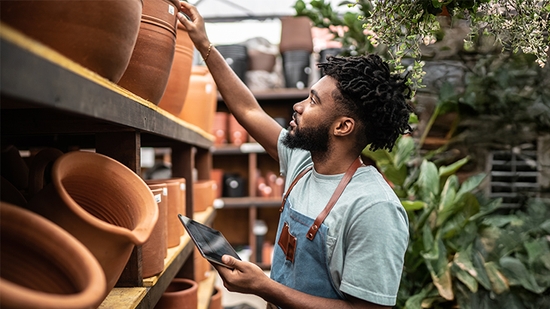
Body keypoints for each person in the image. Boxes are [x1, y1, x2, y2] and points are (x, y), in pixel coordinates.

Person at [177, 2, 412, 308]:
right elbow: (248, 109)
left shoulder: (373, 208)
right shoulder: (303, 163)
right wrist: (203, 43)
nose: (298, 106)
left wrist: (264, 287)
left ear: (343, 126)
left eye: (313, 101)